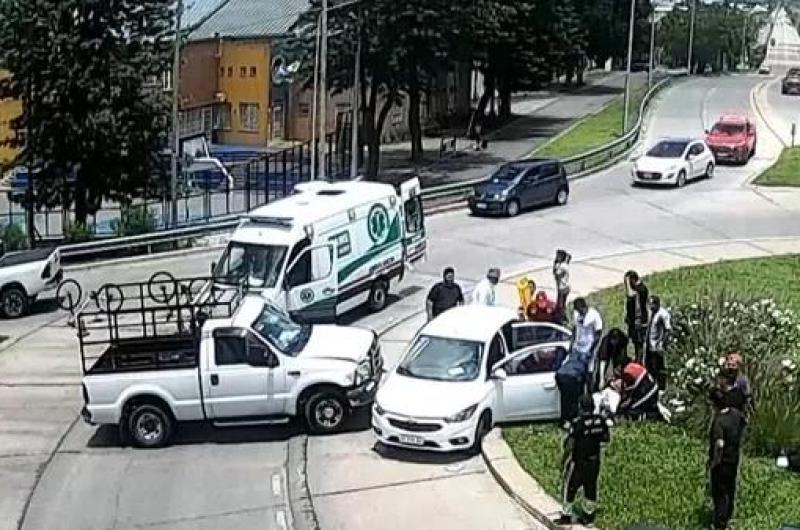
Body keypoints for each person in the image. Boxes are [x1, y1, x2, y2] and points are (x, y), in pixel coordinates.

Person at [555, 394, 613, 527]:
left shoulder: (578, 423)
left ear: (581, 407)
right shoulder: (601, 421)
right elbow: (606, 439)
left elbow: (570, 444)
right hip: (594, 460)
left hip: (578, 461)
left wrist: (564, 460)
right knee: (591, 487)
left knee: (570, 487)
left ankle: (566, 516)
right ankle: (588, 517)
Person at [708, 388, 747, 530]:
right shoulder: (735, 414)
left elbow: (719, 444)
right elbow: (744, 423)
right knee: (730, 489)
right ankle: (729, 515)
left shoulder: (719, 421)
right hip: (734, 459)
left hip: (722, 463)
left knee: (720, 493)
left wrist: (714, 463)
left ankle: (720, 523)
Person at [573, 298, 603, 392]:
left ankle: (591, 392)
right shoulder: (576, 314)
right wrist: (572, 345)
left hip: (589, 348)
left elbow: (598, 333)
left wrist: (592, 349)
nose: (578, 312)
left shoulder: (594, 315)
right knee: (579, 373)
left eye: (579, 309)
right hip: (578, 348)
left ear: (584, 307)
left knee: (589, 373)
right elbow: (575, 329)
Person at [556, 347, 592, 426]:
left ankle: (565, 420)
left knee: (565, 399)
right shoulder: (585, 359)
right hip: (569, 377)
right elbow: (585, 374)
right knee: (571, 399)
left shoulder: (573, 354)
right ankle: (569, 420)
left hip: (560, 374)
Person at [645, 295, 671, 392]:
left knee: (658, 366)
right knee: (650, 366)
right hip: (650, 344)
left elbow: (667, 330)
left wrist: (662, 343)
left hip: (657, 345)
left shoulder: (663, 314)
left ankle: (661, 387)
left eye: (652, 304)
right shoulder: (652, 313)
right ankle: (651, 385)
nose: (651, 307)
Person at [718, 352, 754, 417]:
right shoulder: (721, 378)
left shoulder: (742, 380)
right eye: (729, 364)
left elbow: (748, 397)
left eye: (733, 365)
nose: (730, 367)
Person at [624, 271, 649, 361]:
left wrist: (628, 283)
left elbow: (631, 296)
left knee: (639, 343)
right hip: (634, 321)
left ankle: (639, 360)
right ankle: (638, 358)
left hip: (638, 321)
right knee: (635, 342)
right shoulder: (637, 289)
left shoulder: (640, 290)